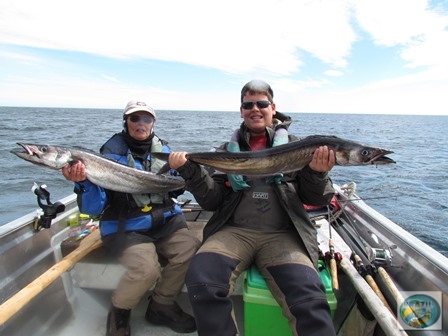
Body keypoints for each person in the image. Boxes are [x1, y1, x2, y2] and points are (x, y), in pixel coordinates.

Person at [167, 80, 337, 336]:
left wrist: (316, 173)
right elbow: (212, 201)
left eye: (261, 103)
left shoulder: (304, 148)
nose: (255, 109)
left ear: (273, 107)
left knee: (310, 297)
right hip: (233, 232)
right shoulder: (225, 152)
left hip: (284, 235)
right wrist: (191, 172)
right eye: (248, 104)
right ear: (241, 110)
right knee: (202, 279)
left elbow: (319, 198)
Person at [62, 100, 200, 336]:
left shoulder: (165, 151)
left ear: (153, 123)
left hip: (166, 222)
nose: (141, 123)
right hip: (126, 227)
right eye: (134, 118)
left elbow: (177, 188)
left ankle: (161, 305)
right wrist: (83, 182)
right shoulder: (107, 155)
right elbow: (93, 208)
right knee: (147, 269)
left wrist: (190, 172)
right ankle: (119, 313)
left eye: (146, 118)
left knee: (191, 250)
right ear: (126, 122)